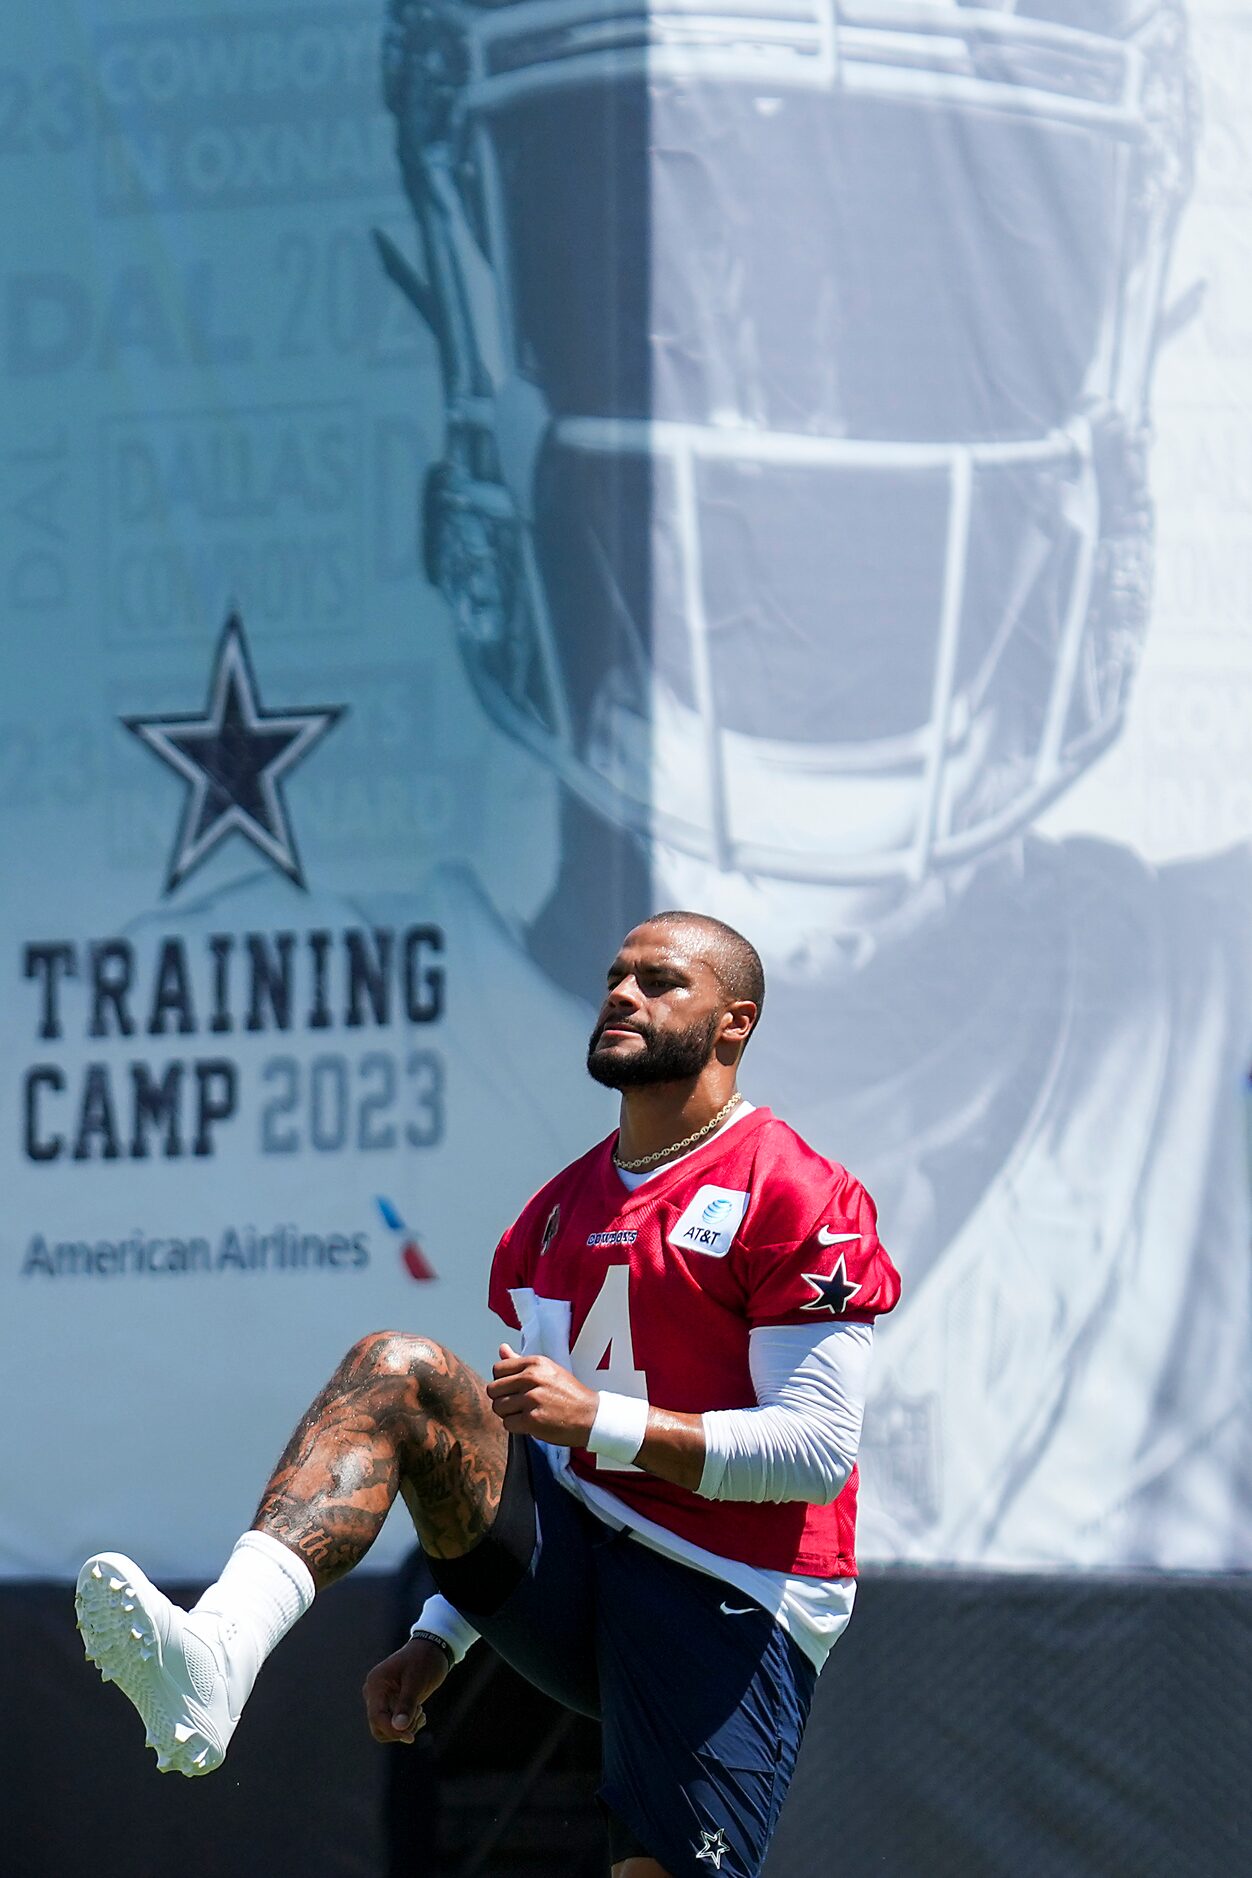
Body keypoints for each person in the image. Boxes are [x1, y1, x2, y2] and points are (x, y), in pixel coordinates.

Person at [77, 909, 900, 1878]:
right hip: (580, 1559)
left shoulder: (797, 1192)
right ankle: (217, 1656)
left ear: (734, 1024)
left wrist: (600, 1421)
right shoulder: (550, 1217)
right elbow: (539, 1452)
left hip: (727, 1590)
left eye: (660, 981)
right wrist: (438, 1638)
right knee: (401, 1373)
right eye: (615, 975)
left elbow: (813, 1456)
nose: (623, 994)